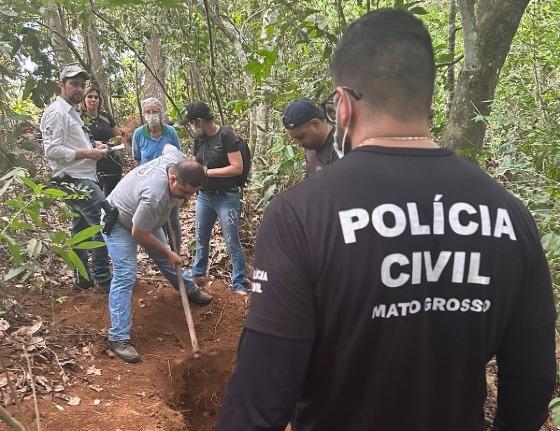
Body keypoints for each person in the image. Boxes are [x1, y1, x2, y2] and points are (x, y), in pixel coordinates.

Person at [217, 9, 556, 431]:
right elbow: (533, 377)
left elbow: (260, 400)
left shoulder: (298, 216)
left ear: (342, 105)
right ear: (428, 94)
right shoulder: (510, 214)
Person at [103, 144, 213, 363]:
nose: (186, 199)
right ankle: (118, 338)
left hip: (145, 218)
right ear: (172, 179)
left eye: (192, 194)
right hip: (120, 222)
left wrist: (166, 254)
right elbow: (138, 233)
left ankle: (189, 289)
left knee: (166, 259)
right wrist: (168, 252)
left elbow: (167, 146)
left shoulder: (175, 159)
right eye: (183, 192)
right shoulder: (154, 196)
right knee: (126, 274)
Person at [40, 64, 112, 290]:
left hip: (83, 176)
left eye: (81, 85)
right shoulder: (56, 112)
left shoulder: (72, 112)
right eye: (73, 84)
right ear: (61, 85)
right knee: (104, 223)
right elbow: (51, 151)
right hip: (73, 179)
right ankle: (103, 278)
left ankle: (82, 278)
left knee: (81, 229)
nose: (78, 89)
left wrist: (93, 146)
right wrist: (87, 152)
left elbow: (70, 143)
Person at [180, 101, 249, 295]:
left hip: (226, 196)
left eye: (193, 122)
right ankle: (198, 274)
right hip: (204, 196)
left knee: (232, 241)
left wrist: (207, 172)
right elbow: (195, 163)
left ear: (200, 121)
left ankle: (239, 283)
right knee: (201, 237)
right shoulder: (199, 139)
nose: (192, 126)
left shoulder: (226, 136)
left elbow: (237, 167)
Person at [132, 97, 182, 253]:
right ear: (143, 114)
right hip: (147, 183)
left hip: (170, 182)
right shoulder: (139, 134)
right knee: (151, 220)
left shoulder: (170, 132)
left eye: (154, 111)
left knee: (172, 219)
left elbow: (177, 155)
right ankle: (158, 253)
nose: (151, 115)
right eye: (148, 112)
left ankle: (176, 252)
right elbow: (137, 158)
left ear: (161, 113)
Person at [80, 86, 123, 196]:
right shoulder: (78, 118)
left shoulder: (106, 117)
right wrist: (94, 143)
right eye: (89, 97)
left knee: (113, 196)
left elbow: (119, 136)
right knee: (95, 197)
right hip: (92, 163)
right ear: (84, 99)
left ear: (100, 100)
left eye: (96, 97)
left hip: (111, 161)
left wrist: (108, 144)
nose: (93, 100)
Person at [283, 98, 338, 177]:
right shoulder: (311, 146)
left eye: (301, 137)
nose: (299, 143)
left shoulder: (342, 148)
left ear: (315, 124)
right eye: (295, 139)